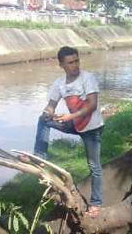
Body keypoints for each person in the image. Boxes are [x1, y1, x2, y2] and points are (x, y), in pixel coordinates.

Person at [31, 46, 104, 218]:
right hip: (73, 123)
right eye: (70, 63)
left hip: (92, 128)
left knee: (95, 167)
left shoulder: (88, 78)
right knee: (44, 121)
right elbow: (50, 106)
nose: (75, 65)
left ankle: (96, 203)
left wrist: (69, 116)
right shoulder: (59, 83)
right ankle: (40, 157)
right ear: (61, 65)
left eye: (77, 61)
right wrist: (48, 112)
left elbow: (92, 105)